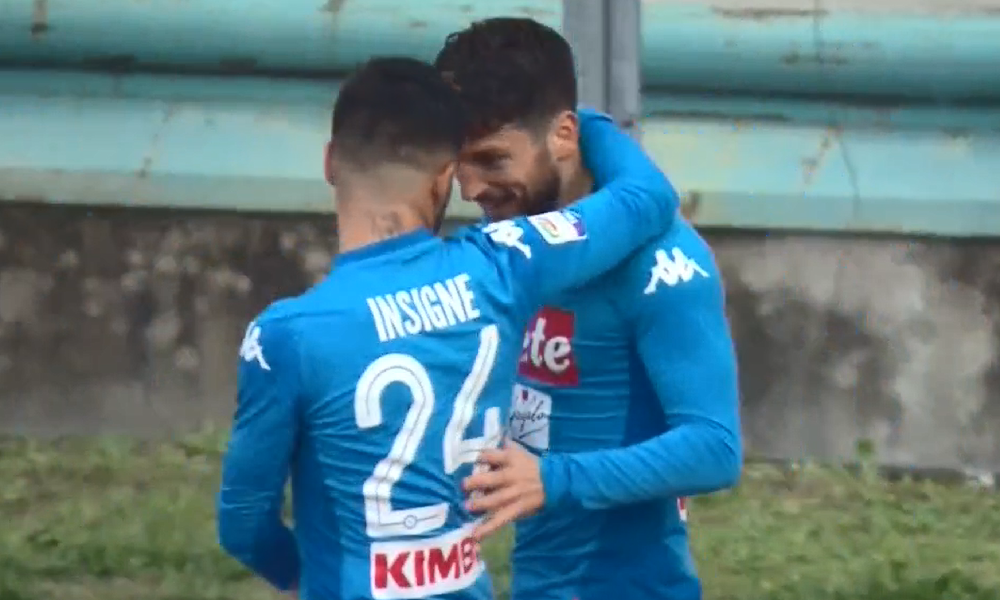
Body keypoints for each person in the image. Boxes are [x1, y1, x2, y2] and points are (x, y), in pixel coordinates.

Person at [215, 56, 679, 600]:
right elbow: (646, 196)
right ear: (444, 179)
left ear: (329, 162)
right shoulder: (505, 266)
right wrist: (581, 122)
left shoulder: (286, 335)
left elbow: (244, 524)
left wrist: (311, 578)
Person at [435, 18, 742, 600]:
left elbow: (714, 448)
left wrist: (552, 479)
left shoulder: (664, 263)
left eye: (493, 160)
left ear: (563, 135)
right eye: (459, 165)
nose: (471, 189)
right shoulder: (520, 242)